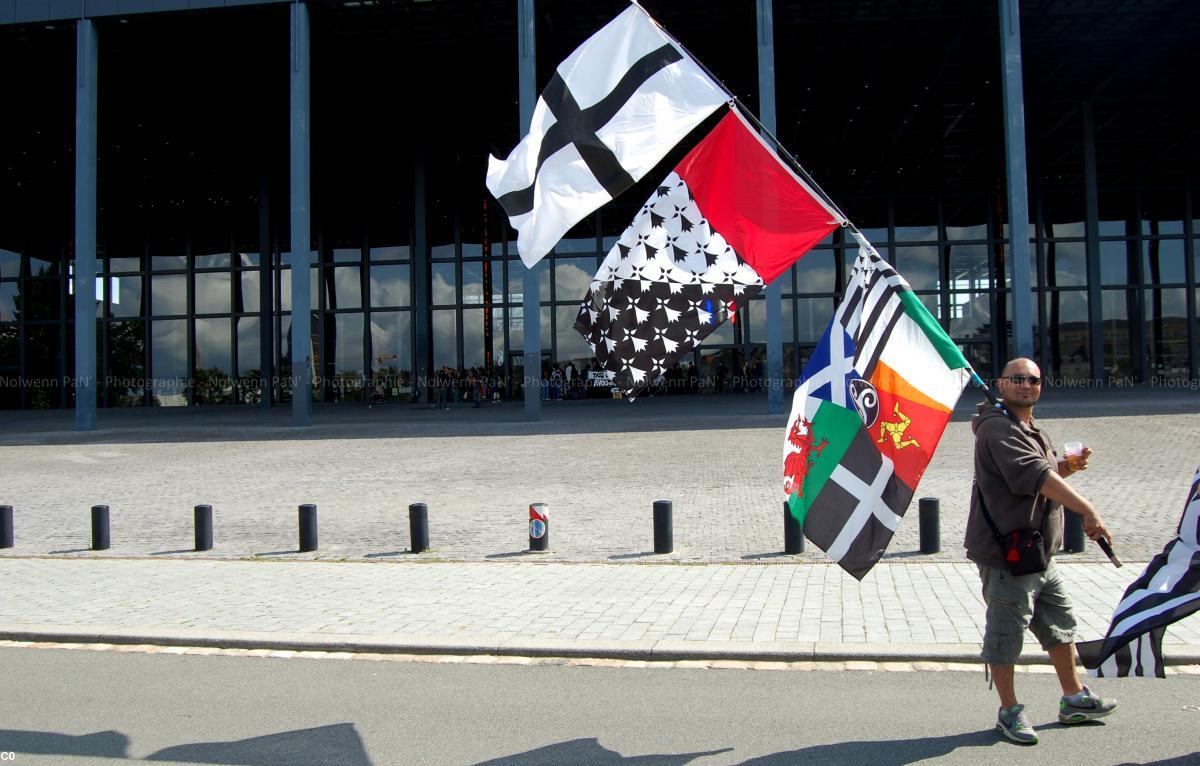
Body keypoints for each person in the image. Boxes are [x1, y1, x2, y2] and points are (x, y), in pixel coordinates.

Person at [965, 357, 1117, 745]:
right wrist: (1087, 509)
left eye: (1033, 380)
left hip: (1037, 553)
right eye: (1017, 379)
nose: (1026, 385)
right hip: (1007, 554)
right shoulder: (998, 428)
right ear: (1000, 384)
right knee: (1006, 634)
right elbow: (1033, 475)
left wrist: (1065, 467)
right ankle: (1009, 711)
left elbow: (1040, 475)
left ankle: (1073, 698)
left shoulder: (1029, 427)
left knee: (1058, 623)